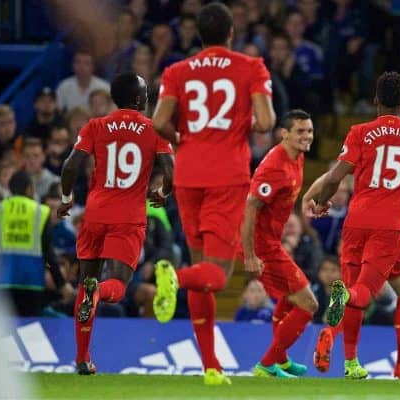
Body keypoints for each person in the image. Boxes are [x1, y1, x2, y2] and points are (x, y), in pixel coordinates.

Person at [151, 2, 275, 386]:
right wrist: (243, 123)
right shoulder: (250, 67)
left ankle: (210, 366)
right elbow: (267, 122)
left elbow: (158, 123)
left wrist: (181, 138)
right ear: (231, 33)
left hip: (188, 175)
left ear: (199, 35)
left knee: (202, 270)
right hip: (227, 176)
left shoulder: (176, 71)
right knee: (217, 275)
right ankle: (173, 276)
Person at [305, 72, 400, 379]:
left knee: (360, 287)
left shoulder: (358, 132)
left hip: (356, 221)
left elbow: (335, 177)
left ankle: (351, 362)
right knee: (371, 293)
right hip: (390, 227)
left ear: (376, 100)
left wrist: (323, 202)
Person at [57, 72, 173, 375]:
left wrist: (67, 198)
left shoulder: (95, 125)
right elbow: (172, 173)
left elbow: (70, 166)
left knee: (85, 282)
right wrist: (161, 193)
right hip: (128, 217)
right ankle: (97, 292)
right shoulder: (154, 130)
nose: (148, 97)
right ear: (136, 98)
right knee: (118, 287)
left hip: (95, 213)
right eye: (146, 92)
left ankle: (82, 358)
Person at [241, 109, 318, 378]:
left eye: (309, 130)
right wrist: (250, 255)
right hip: (263, 246)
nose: (307, 136)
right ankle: (267, 363)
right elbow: (250, 207)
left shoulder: (297, 156)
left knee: (289, 297)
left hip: (272, 241)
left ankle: (281, 361)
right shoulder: (275, 166)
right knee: (308, 304)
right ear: (284, 133)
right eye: (300, 131)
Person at [0, 171, 73, 316]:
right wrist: (61, 284)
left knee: (4, 335)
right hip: (31, 284)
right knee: (28, 332)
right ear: (29, 188)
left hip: (1, 283)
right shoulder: (40, 212)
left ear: (10, 188)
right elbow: (48, 254)